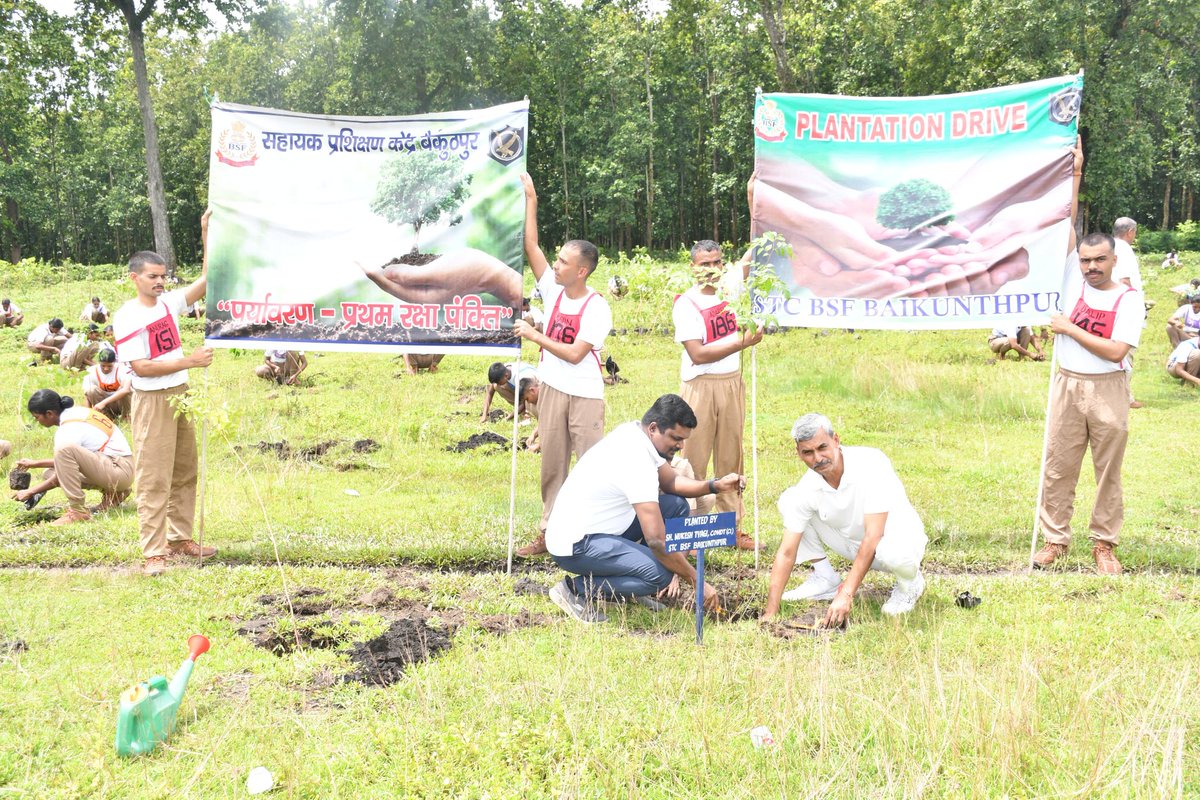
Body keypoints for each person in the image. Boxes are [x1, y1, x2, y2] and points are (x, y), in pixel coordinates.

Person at [545, 394, 734, 624]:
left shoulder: (637, 434)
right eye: (676, 438)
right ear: (654, 428)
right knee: (659, 576)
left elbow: (670, 483)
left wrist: (715, 485)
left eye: (684, 439)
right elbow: (656, 540)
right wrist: (697, 581)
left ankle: (629, 585)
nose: (681, 445)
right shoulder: (636, 460)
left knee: (675, 506)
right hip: (575, 544)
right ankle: (574, 589)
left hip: (603, 528)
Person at [511, 173, 613, 557]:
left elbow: (574, 354)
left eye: (563, 262)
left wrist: (534, 335)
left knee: (590, 468)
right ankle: (548, 531)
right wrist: (531, 198)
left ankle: (592, 535)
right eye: (556, 259)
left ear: (582, 271)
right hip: (552, 390)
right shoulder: (552, 290)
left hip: (585, 395)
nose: (554, 265)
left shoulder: (597, 306)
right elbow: (530, 244)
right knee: (552, 465)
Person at [112, 211, 215, 576]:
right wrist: (190, 360)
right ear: (134, 278)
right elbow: (140, 367)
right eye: (152, 276)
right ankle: (154, 552)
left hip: (180, 393)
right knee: (154, 476)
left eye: (163, 276)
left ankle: (179, 537)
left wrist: (205, 233)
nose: (160, 282)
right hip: (152, 399)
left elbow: (207, 279)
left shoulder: (169, 303)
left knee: (185, 469)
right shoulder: (127, 316)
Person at [1033, 233, 1143, 575]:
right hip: (1067, 381)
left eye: (1099, 260)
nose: (1091, 267)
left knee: (1107, 470)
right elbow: (1066, 221)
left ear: (1114, 261)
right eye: (1085, 260)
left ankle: (1104, 544)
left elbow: (1116, 351)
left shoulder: (1128, 299)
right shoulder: (1070, 277)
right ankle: (1055, 539)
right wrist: (1073, 176)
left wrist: (1069, 328)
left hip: (1108, 387)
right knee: (1057, 466)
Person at [762, 413, 928, 626]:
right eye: (808, 453)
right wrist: (771, 611)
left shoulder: (871, 462)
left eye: (822, 447)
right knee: (790, 500)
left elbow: (874, 535)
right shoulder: (809, 486)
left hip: (897, 540)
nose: (817, 459)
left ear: (836, 440)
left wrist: (846, 594)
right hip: (853, 543)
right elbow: (786, 552)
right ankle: (825, 578)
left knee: (894, 553)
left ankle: (909, 584)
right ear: (799, 453)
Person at [673, 239, 764, 550]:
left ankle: (733, 527)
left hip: (731, 381)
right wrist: (743, 342)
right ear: (693, 267)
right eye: (704, 264)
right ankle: (691, 528)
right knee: (693, 456)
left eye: (716, 263)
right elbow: (697, 354)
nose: (711, 270)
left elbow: (751, 252)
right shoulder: (686, 302)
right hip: (700, 385)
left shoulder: (731, 289)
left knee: (731, 454)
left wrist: (759, 196)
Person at [11, 389, 133, 525]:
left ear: (49, 414)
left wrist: (31, 491)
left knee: (63, 450)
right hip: (120, 468)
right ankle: (116, 493)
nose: (37, 421)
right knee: (49, 473)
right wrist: (34, 464)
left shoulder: (68, 428)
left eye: (37, 417)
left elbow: (65, 464)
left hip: (118, 470)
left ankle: (78, 511)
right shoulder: (77, 412)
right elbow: (69, 463)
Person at [1111, 217, 1144, 408]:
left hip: (1111, 306)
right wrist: (1132, 305)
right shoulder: (1124, 249)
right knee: (1126, 352)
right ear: (1130, 231)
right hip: (1124, 309)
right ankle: (1125, 397)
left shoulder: (1107, 246)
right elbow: (1125, 281)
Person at [82, 350, 133, 420]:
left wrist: (103, 403)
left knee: (123, 389)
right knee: (91, 390)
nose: (106, 369)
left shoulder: (122, 369)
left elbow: (126, 390)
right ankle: (106, 417)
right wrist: (88, 415)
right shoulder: (92, 372)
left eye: (109, 366)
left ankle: (125, 416)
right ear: (99, 362)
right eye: (103, 366)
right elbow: (87, 396)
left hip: (120, 404)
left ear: (114, 362)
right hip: (105, 406)